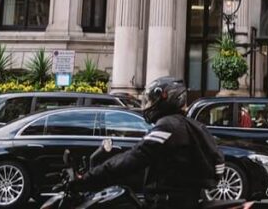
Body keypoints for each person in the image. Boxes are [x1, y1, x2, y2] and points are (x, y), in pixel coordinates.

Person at [69, 76, 224, 208]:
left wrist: (88, 178)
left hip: (167, 203)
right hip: (182, 199)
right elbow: (149, 160)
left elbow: (133, 158)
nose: (149, 105)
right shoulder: (185, 124)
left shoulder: (168, 126)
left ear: (166, 98)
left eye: (152, 100)